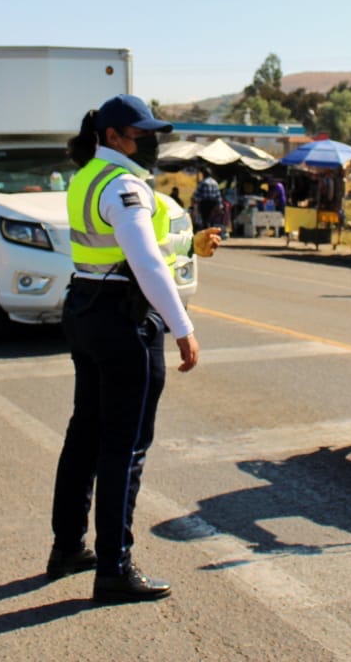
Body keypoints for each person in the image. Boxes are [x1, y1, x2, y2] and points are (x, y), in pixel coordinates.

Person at [48, 93, 220, 603]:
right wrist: (183, 326)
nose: (151, 142)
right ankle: (115, 567)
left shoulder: (86, 177)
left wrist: (190, 246)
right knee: (126, 445)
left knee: (85, 433)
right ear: (115, 137)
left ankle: (68, 547)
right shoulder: (123, 185)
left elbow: (135, 248)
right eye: (142, 134)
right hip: (121, 320)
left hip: (84, 306)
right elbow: (145, 263)